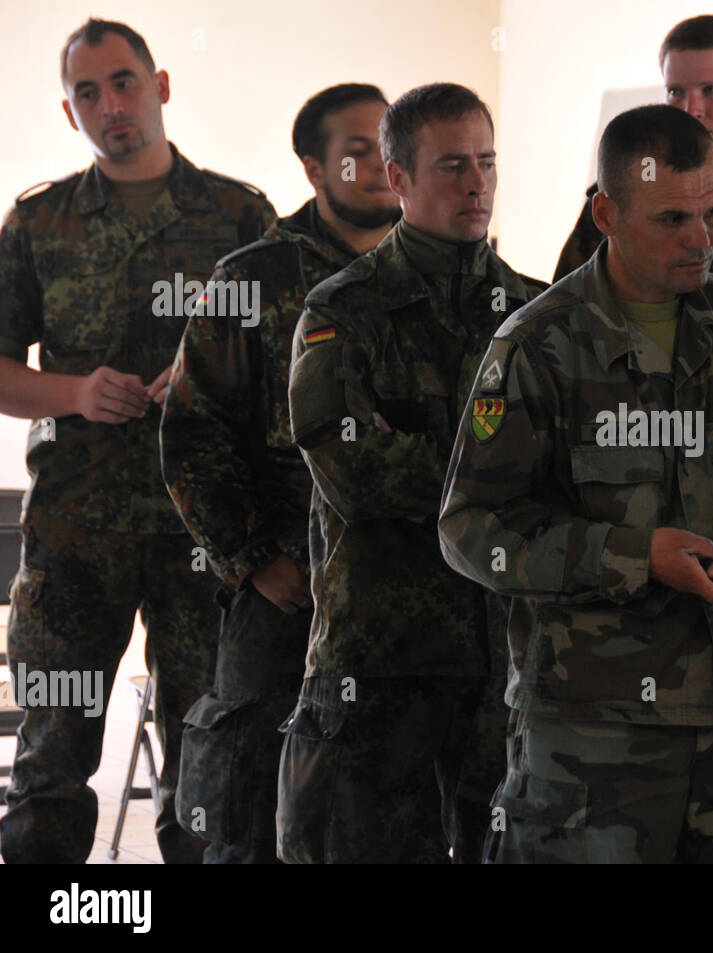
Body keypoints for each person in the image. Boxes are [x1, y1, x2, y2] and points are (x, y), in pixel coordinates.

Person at [439, 104, 713, 864]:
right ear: (608, 213)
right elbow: (471, 528)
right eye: (673, 219)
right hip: (594, 735)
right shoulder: (538, 346)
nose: (701, 239)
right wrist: (629, 555)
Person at [0, 18, 274, 864]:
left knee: (206, 754)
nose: (109, 105)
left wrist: (199, 380)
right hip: (76, 531)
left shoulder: (238, 213)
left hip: (207, 529)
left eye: (123, 83)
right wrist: (75, 391)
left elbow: (286, 355)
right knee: (50, 755)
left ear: (160, 86)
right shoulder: (40, 223)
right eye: (88, 92)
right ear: (68, 109)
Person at [280, 83, 544, 863]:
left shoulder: (534, 314)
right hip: (380, 664)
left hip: (506, 663)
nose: (477, 184)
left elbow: (573, 470)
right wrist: (502, 476)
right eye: (453, 165)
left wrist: (445, 463)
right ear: (398, 178)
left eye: (488, 163)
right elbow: (355, 473)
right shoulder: (344, 312)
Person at [159, 83, 399, 863]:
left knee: (390, 806)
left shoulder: (447, 268)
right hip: (283, 590)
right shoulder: (252, 276)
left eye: (386, 145)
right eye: (355, 150)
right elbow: (194, 433)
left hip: (410, 592)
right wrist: (254, 556)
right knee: (250, 808)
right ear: (314, 168)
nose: (377, 164)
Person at [551, 14, 713, 281]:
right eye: (676, 92)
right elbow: (565, 308)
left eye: (710, 90)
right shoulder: (622, 199)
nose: (690, 110)